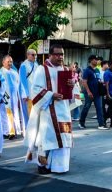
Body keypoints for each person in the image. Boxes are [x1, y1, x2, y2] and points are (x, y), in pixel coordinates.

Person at [25, 45, 76, 174]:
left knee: (64, 136)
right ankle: (43, 165)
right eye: (57, 54)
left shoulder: (65, 70)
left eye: (62, 54)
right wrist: (51, 95)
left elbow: (72, 93)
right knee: (47, 138)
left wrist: (72, 85)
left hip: (63, 110)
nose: (60, 57)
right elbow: (35, 90)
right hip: (48, 110)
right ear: (50, 55)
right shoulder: (42, 70)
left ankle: (60, 166)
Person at [79, 54, 108, 130]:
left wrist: (101, 83)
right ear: (91, 60)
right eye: (95, 59)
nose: (97, 61)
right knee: (86, 107)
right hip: (89, 93)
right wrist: (88, 92)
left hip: (97, 93)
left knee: (99, 108)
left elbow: (98, 79)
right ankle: (81, 122)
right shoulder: (87, 70)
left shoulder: (97, 70)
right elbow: (84, 82)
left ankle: (101, 124)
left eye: (97, 59)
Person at [0, 54, 25, 140]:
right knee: (5, 114)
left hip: (14, 96)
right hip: (5, 97)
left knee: (15, 113)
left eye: (11, 61)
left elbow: (18, 84)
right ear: (3, 62)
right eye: (8, 62)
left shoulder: (15, 73)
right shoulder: (0, 72)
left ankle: (15, 130)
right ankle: (7, 132)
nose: (10, 63)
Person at [19, 48, 38, 128]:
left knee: (35, 113)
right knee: (28, 113)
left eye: (36, 55)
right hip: (28, 95)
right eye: (33, 55)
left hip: (35, 94)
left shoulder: (36, 64)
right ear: (28, 55)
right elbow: (22, 81)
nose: (35, 56)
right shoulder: (24, 65)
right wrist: (25, 94)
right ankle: (28, 130)